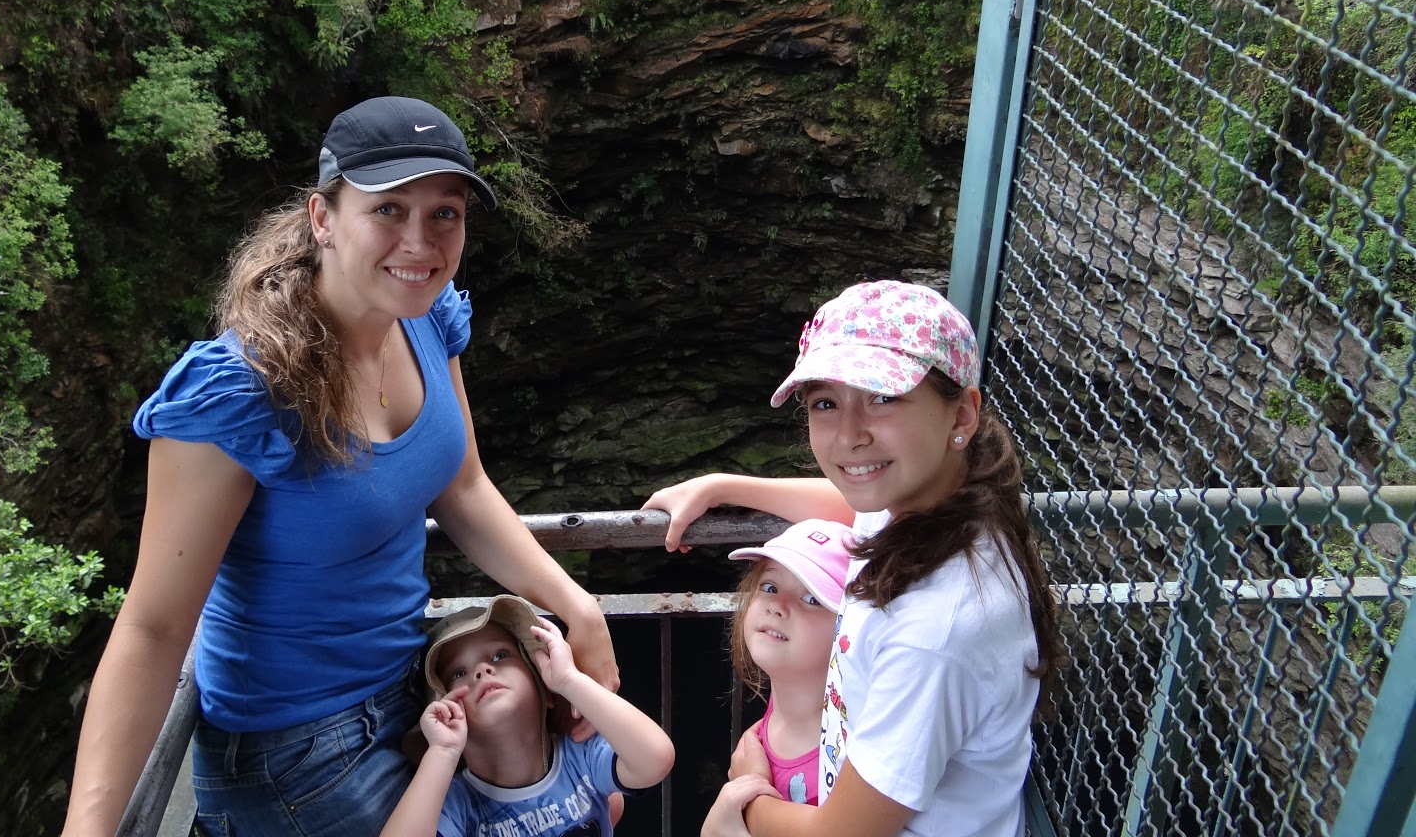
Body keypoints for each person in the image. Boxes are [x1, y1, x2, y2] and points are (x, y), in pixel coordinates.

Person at [61, 97, 617, 837]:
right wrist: (89, 829)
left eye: (444, 214)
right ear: (323, 217)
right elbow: (155, 629)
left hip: (415, 694)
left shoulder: (424, 318)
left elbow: (462, 486)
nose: (419, 242)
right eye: (388, 210)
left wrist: (578, 606)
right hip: (295, 754)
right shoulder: (242, 394)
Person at [645, 280, 1062, 837]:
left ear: (962, 414)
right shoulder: (944, 506)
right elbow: (855, 502)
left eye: (883, 398)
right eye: (826, 404)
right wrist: (724, 487)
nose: (848, 437)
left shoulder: (935, 633)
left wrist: (746, 798)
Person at [383, 595, 674, 837]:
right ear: (444, 710)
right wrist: (443, 750)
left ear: (545, 692)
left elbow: (655, 759)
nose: (482, 670)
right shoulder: (458, 804)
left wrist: (569, 681)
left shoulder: (579, 760)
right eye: (458, 673)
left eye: (500, 656)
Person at [725, 519, 853, 806]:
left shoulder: (846, 757)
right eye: (769, 587)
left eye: (811, 598)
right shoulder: (789, 692)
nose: (777, 606)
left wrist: (751, 787)